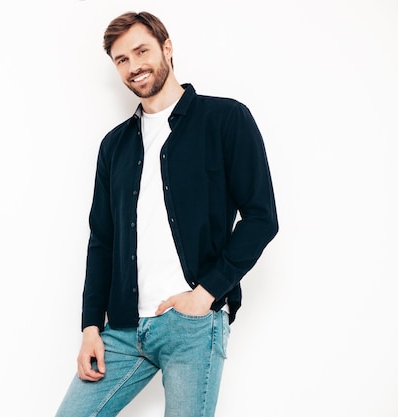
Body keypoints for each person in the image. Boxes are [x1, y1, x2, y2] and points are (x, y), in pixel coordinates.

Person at [55, 11, 278, 417]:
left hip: (191, 324)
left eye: (141, 51)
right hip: (122, 329)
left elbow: (262, 218)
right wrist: (90, 326)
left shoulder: (225, 119)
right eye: (121, 59)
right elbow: (102, 239)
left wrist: (206, 295)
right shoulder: (114, 146)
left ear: (167, 49)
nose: (133, 65)